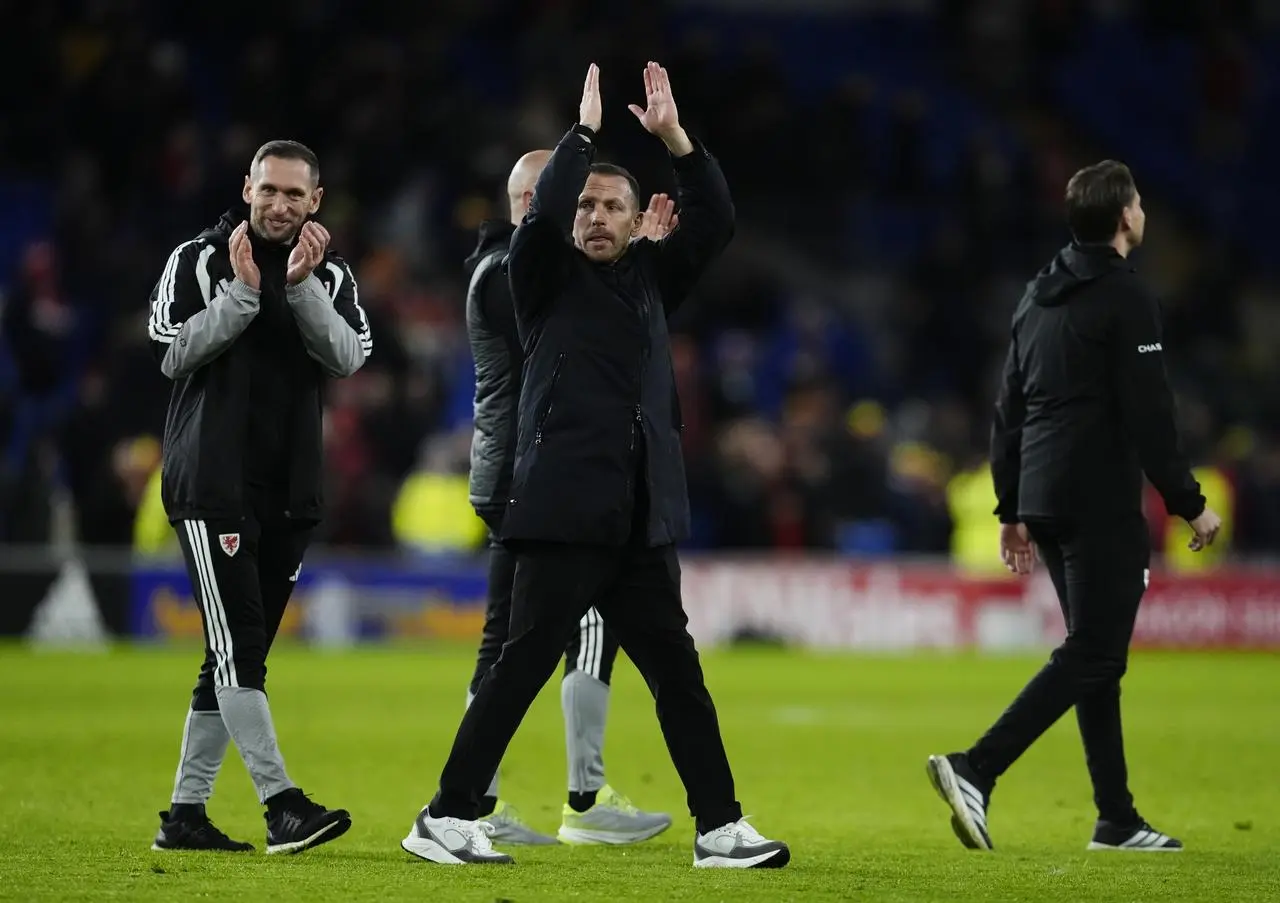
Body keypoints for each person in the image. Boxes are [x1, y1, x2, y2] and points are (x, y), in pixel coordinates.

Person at [400, 62, 789, 868]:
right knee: (521, 668)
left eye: (615, 204)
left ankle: (719, 826)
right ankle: (444, 814)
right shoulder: (536, 275)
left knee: (678, 675)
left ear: (638, 215)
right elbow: (539, 215)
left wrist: (677, 140)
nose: (600, 216)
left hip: (637, 514)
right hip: (564, 510)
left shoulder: (650, 279)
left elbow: (715, 218)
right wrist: (578, 140)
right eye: (587, 205)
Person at [926, 160, 1222, 853]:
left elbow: (1008, 407)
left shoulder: (1036, 296)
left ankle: (1115, 816)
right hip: (1098, 499)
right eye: (1140, 202)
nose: (1144, 211)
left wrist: (1009, 505)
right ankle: (977, 767)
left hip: (1044, 497)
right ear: (1124, 218)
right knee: (1094, 651)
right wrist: (1189, 502)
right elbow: (1151, 413)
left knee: (1097, 655)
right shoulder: (1127, 298)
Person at [147, 140, 371, 855]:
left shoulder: (329, 274)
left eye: (293, 195)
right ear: (246, 187)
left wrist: (301, 287)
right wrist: (243, 296)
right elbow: (172, 350)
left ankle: (185, 815)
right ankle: (282, 806)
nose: (279, 205)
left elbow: (347, 357)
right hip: (212, 484)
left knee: (231, 656)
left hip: (290, 492)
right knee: (238, 650)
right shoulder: (199, 259)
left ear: (316, 201)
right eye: (267, 190)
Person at [460, 151, 681, 845]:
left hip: (521, 471)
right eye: (550, 200)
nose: (568, 214)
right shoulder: (512, 273)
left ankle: (482, 801)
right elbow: (577, 358)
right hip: (537, 478)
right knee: (568, 632)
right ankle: (580, 798)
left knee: (512, 641)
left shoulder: (517, 268)